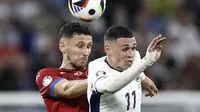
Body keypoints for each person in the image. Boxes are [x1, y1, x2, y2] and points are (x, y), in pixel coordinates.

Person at [87, 25, 166, 112]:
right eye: (125, 49)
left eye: (133, 48)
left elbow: (136, 63)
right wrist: (146, 62)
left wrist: (142, 77)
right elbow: (110, 87)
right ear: (107, 49)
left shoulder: (135, 57)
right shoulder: (96, 66)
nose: (130, 54)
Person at [36, 22, 93, 112]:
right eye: (80, 46)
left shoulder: (94, 72)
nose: (86, 52)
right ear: (62, 46)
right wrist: (97, 80)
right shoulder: (47, 74)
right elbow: (66, 89)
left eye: (89, 46)